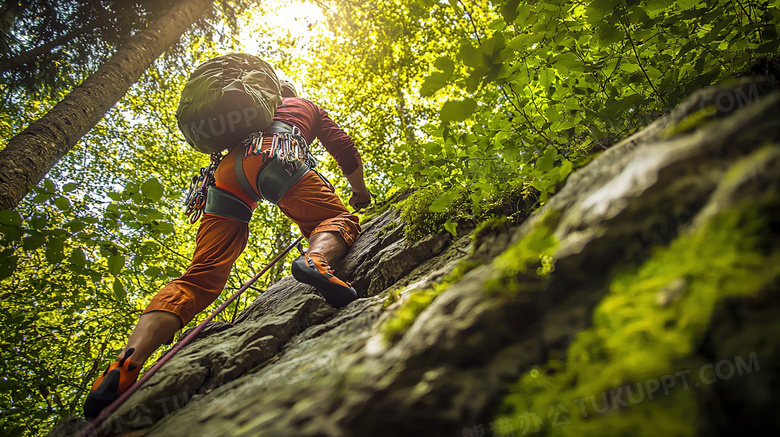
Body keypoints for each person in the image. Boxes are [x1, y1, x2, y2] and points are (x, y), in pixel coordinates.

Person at [83, 79, 372, 419]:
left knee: (199, 276)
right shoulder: (304, 106)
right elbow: (342, 145)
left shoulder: (238, 117)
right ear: (290, 94)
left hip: (222, 180)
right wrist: (360, 192)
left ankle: (126, 362)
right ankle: (316, 260)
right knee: (336, 218)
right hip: (276, 154)